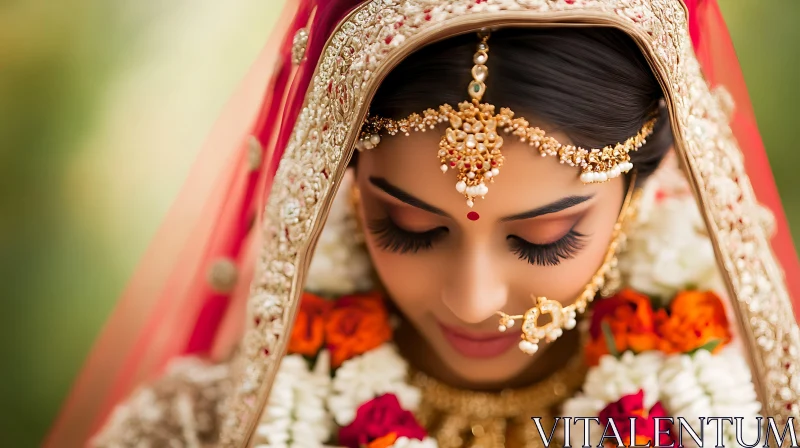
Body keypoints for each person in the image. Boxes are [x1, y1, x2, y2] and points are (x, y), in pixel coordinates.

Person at [46, 1, 800, 447]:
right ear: (332, 182)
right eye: (406, 225)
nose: (471, 302)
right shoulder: (196, 431)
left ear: (642, 185)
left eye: (545, 237)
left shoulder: (748, 418)